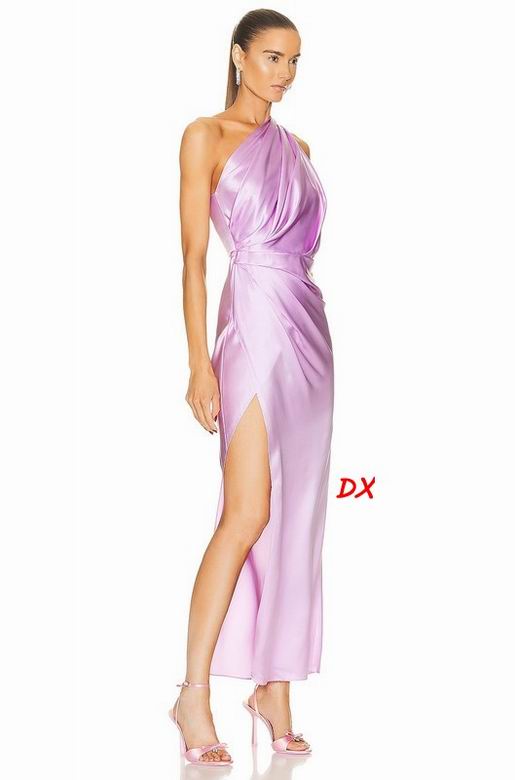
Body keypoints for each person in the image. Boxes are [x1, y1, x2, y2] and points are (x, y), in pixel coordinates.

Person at [169, 9, 334, 765]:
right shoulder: (205, 135)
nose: (284, 74)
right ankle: (192, 694)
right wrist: (198, 363)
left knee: (296, 517)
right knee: (246, 512)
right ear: (239, 57)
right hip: (250, 330)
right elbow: (193, 260)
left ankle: (275, 691)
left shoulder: (299, 150)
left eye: (294, 61)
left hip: (309, 333)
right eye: (272, 57)